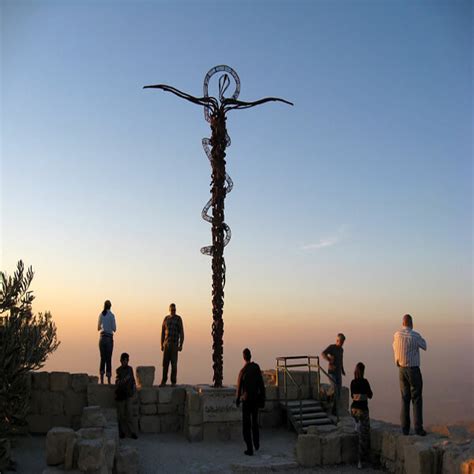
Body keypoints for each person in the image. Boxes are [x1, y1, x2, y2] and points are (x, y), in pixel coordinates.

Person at [393, 314, 427, 436]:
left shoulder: (396, 335)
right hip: (413, 369)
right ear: (411, 323)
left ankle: (405, 429)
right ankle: (418, 428)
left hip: (401, 369)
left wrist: (397, 359)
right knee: (416, 398)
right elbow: (424, 346)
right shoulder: (415, 335)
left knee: (404, 398)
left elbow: (394, 347)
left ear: (403, 323)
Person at [236, 348, 266, 456]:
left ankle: (249, 449)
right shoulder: (256, 367)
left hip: (247, 401)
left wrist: (237, 399)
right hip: (255, 400)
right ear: (250, 356)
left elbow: (239, 386)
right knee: (255, 423)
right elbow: (261, 385)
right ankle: (256, 444)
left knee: (246, 425)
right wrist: (263, 398)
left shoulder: (243, 371)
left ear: (244, 357)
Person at [351, 362, 373, 469]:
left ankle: (356, 424)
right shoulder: (365, 382)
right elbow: (370, 395)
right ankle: (360, 460)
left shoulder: (352, 382)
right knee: (363, 436)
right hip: (362, 410)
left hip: (353, 410)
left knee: (359, 431)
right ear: (363, 371)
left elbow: (352, 396)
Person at [160, 303, 184, 386]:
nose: (173, 311)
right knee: (165, 364)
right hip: (166, 344)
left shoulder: (178, 319)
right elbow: (163, 332)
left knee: (174, 364)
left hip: (174, 344)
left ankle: (173, 382)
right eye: (172, 310)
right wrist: (161, 344)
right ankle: (163, 381)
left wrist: (181, 345)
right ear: (169, 310)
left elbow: (181, 332)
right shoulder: (166, 319)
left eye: (174, 310)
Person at [321, 333, 346, 414]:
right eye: (341, 341)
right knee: (334, 387)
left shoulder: (341, 350)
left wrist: (342, 370)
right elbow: (323, 353)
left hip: (338, 372)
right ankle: (327, 396)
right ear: (337, 340)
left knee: (338, 391)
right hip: (331, 372)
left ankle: (335, 409)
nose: (342, 343)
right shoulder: (332, 347)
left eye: (343, 342)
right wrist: (329, 360)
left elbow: (341, 360)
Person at [115, 352, 138, 439]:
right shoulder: (118, 370)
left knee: (129, 414)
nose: (125, 362)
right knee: (121, 415)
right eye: (124, 360)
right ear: (121, 361)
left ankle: (132, 432)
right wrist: (125, 380)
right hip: (121, 395)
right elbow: (118, 383)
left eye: (126, 360)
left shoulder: (130, 369)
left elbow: (133, 380)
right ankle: (121, 432)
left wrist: (134, 387)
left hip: (128, 395)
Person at [97, 300, 116, 384]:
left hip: (102, 338)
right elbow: (114, 329)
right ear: (110, 306)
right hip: (109, 338)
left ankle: (101, 379)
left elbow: (98, 327)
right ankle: (108, 380)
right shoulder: (112, 316)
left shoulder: (101, 315)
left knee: (102, 358)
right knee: (108, 359)